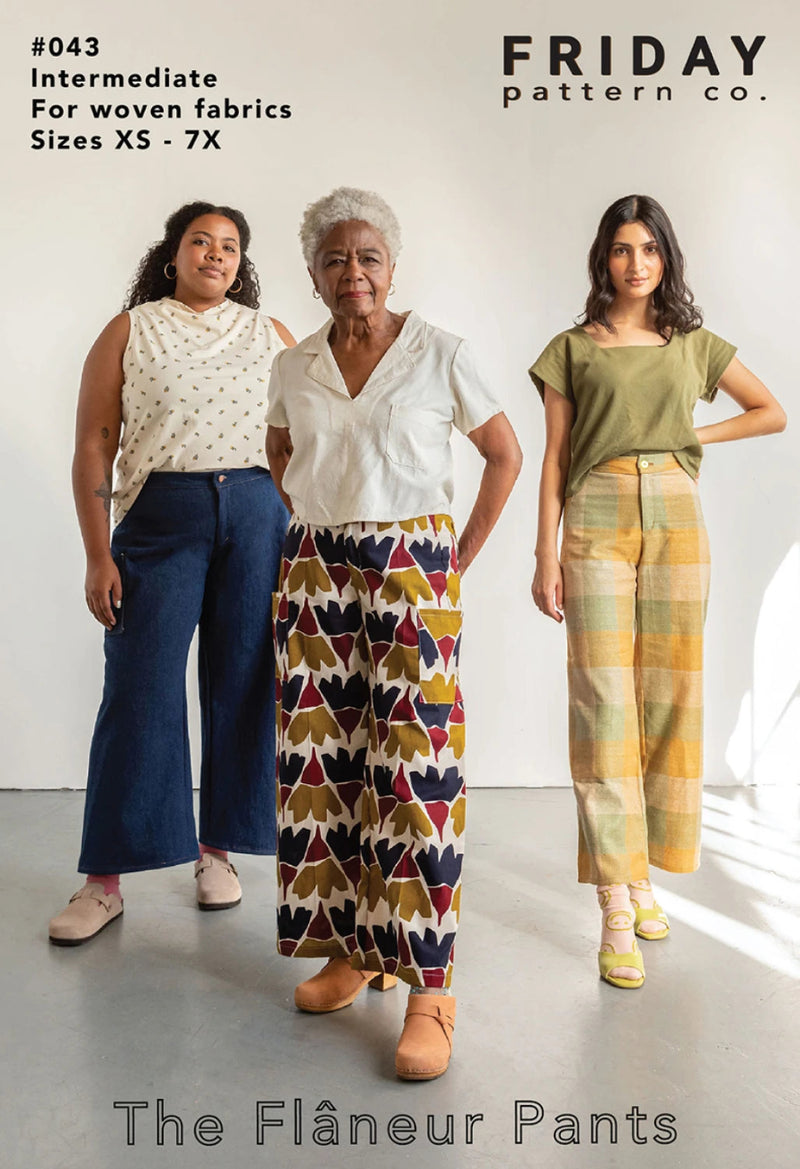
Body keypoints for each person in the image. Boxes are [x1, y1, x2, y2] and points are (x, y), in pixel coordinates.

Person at [266, 186, 522, 1078]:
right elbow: (280, 455)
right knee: (325, 762)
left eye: (367, 257)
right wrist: (310, 520)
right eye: (335, 260)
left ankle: (429, 986)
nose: (353, 273)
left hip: (414, 563)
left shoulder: (439, 352)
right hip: (313, 567)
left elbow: (504, 453)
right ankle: (352, 947)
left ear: (392, 266)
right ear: (313, 274)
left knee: (414, 764)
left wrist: (455, 558)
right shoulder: (294, 363)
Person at [529, 194, 786, 989]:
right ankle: (614, 900)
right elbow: (554, 458)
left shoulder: (694, 344)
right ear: (601, 259)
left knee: (671, 695)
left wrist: (685, 438)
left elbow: (771, 411)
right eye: (620, 249)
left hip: (676, 512)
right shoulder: (571, 348)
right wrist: (546, 551)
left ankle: (643, 872)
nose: (634, 263)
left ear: (666, 257)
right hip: (596, 514)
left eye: (648, 249)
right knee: (603, 699)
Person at [48, 201, 295, 945]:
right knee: (140, 688)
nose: (215, 255)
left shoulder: (271, 333)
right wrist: (98, 553)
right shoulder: (131, 328)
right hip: (161, 516)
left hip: (258, 514)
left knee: (245, 683)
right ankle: (105, 881)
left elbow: (303, 444)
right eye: (200, 242)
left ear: (240, 261)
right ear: (173, 254)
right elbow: (95, 443)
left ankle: (216, 851)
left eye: (229, 246)